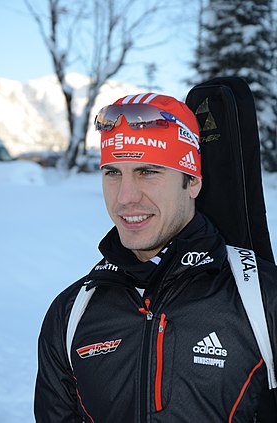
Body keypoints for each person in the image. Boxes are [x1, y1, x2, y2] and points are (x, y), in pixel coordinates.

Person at [34, 93, 277, 422]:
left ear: (191, 181)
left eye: (148, 172)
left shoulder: (261, 298)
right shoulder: (72, 312)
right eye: (113, 173)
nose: (125, 197)